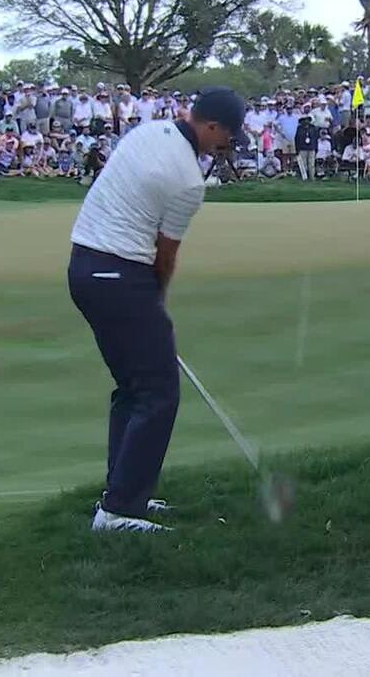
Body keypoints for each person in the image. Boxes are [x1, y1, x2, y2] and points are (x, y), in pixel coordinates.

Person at [68, 87, 245, 534]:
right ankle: (119, 512)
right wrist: (156, 303)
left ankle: (124, 494)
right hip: (119, 275)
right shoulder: (188, 180)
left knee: (133, 388)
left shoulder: (148, 132)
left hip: (84, 267)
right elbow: (165, 255)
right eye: (227, 137)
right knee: (158, 392)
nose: (226, 146)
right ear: (211, 126)